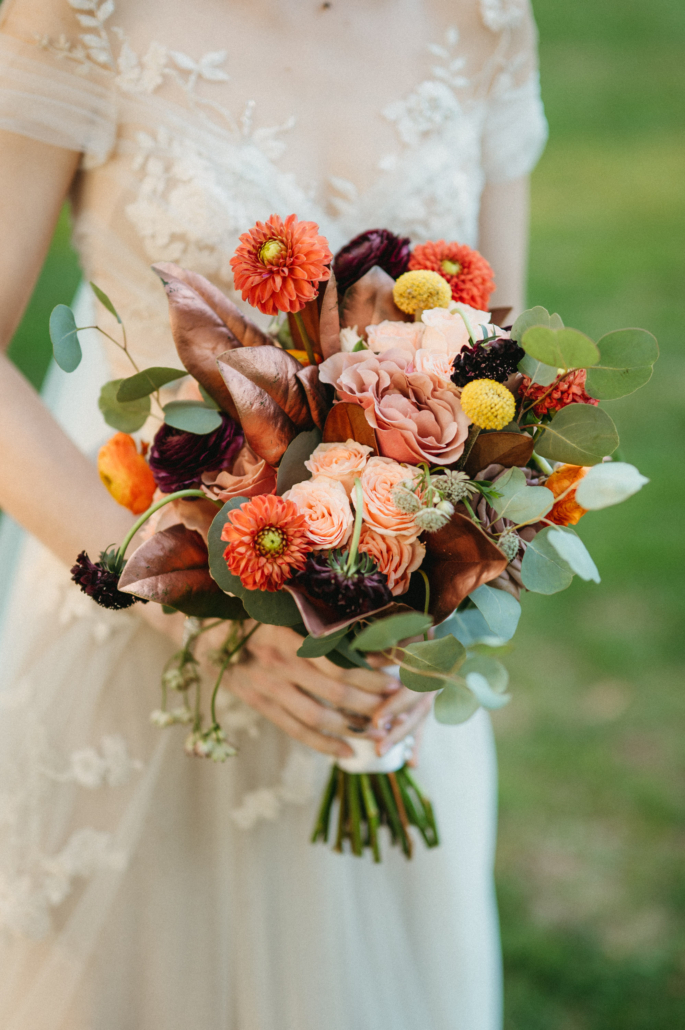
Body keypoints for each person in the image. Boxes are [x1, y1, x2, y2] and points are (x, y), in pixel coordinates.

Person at [0, 1, 547, 1027]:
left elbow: (493, 365)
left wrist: (434, 590)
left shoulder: (482, 19)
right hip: (130, 608)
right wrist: (198, 621)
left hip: (380, 664)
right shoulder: (84, 15)